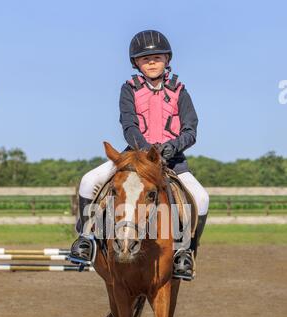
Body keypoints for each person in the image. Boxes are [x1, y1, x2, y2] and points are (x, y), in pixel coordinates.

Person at [70, 30, 209, 281]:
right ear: (136, 63)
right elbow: (129, 125)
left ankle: (185, 253)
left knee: (201, 197)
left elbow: (191, 129)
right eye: (145, 59)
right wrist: (146, 150)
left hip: (172, 160)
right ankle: (86, 238)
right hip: (134, 157)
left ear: (167, 59)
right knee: (89, 181)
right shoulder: (129, 89)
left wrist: (171, 148)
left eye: (157, 57)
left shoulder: (180, 91)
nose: (152, 62)